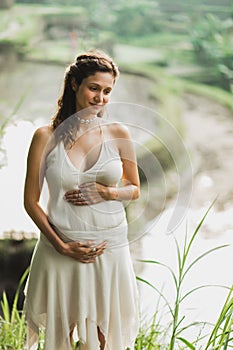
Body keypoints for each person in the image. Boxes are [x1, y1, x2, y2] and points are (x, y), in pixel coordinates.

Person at [23, 49, 140, 350]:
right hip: (60, 248)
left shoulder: (118, 132)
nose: (100, 97)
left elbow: (134, 188)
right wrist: (62, 246)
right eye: (94, 88)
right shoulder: (45, 136)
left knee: (104, 337)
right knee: (61, 334)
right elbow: (31, 201)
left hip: (108, 248)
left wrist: (108, 192)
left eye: (107, 91)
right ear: (74, 84)